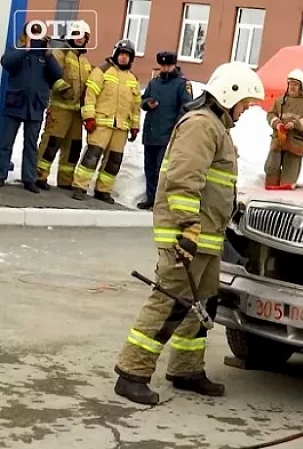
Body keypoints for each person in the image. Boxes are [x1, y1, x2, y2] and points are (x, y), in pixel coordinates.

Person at [113, 61, 264, 405]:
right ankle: (131, 372)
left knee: (201, 303)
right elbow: (183, 179)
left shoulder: (216, 127)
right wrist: (188, 228)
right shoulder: (201, 126)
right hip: (188, 235)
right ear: (230, 95)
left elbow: (215, 184)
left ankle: (186, 369)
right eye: (244, 103)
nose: (244, 110)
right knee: (170, 301)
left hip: (206, 237)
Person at [72, 39, 141, 204]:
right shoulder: (102, 71)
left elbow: (136, 106)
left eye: (127, 56)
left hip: (121, 128)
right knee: (92, 156)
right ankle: (79, 186)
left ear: (131, 59)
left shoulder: (133, 79)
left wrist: (135, 126)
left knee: (114, 161)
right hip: (101, 124)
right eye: (122, 54)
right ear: (116, 54)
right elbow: (90, 96)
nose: (124, 58)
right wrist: (88, 117)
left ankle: (103, 190)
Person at [0, 24, 63, 192]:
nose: (35, 36)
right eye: (32, 33)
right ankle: (0, 174)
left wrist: (48, 54)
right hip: (15, 103)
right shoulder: (17, 48)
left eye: (38, 33)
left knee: (31, 145)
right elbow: (6, 62)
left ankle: (29, 179)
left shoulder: (44, 54)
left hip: (35, 106)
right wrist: (25, 49)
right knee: (5, 142)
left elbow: (57, 74)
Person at [34, 20, 93, 191]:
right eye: (76, 35)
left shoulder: (85, 61)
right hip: (60, 109)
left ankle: (65, 180)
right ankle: (40, 176)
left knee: (73, 147)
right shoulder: (61, 53)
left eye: (83, 36)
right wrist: (63, 88)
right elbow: (52, 74)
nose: (79, 39)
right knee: (51, 143)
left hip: (76, 113)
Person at [137, 51, 193, 210]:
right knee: (149, 168)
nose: (165, 68)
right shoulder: (154, 82)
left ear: (174, 65)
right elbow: (143, 100)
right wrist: (148, 103)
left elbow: (187, 107)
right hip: (151, 132)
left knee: (162, 170)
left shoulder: (182, 84)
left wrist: (177, 128)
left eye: (168, 65)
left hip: (168, 134)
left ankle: (160, 202)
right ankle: (151, 198)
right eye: (162, 65)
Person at [264, 69, 303, 186]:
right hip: (278, 142)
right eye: (290, 83)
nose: (292, 87)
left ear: (302, 86)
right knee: (271, 171)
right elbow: (271, 114)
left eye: (295, 84)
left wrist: (296, 124)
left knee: (288, 180)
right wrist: (277, 123)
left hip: (295, 145)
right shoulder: (279, 101)